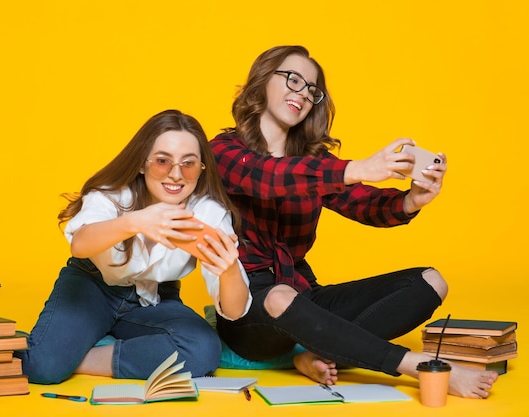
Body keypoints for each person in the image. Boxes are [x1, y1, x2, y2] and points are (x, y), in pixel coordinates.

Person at [209, 45, 498, 399]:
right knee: (280, 297)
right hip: (250, 311)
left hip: (303, 295)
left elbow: (364, 205)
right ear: (262, 80)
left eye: (311, 90)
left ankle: (315, 353)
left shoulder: (315, 162)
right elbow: (269, 176)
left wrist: (410, 200)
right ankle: (420, 366)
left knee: (430, 282)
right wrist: (358, 167)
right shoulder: (223, 151)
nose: (302, 94)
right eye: (293, 80)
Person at [14, 109, 251, 384]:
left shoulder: (207, 213)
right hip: (92, 287)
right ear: (142, 163)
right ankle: (54, 351)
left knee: (203, 350)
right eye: (163, 161)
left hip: (154, 300)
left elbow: (234, 311)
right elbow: (79, 244)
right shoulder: (112, 192)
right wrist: (135, 222)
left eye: (188, 164)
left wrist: (230, 270)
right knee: (41, 368)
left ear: (201, 169)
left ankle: (80, 356)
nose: (176, 175)